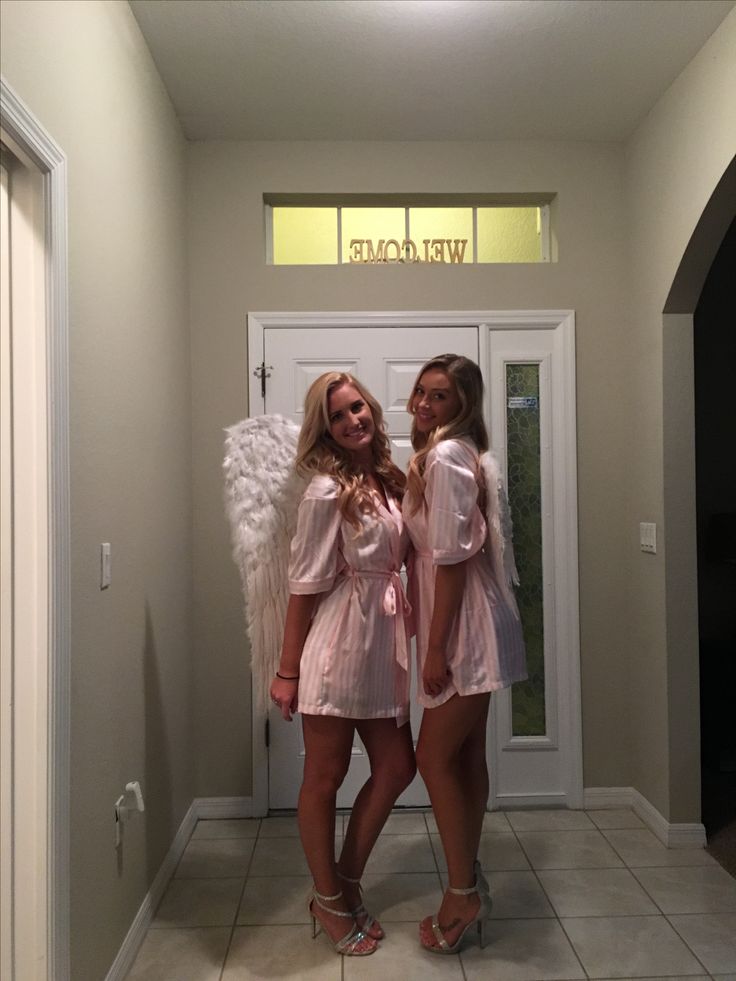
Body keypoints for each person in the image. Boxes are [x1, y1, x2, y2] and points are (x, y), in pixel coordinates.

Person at [270, 371, 415, 957]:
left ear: (371, 407)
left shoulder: (386, 479)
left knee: (398, 767)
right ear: (324, 430)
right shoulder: (326, 490)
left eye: (357, 407)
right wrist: (286, 671)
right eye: (338, 416)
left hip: (383, 646)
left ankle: (345, 880)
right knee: (324, 778)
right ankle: (329, 898)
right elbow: (303, 584)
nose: (353, 419)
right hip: (336, 644)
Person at [404, 353, 527, 954]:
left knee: (433, 756)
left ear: (463, 405)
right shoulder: (448, 454)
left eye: (441, 397)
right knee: (463, 755)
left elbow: (449, 561)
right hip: (466, 616)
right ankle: (467, 873)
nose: (425, 405)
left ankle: (461, 894)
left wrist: (435, 647)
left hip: (464, 624)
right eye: (422, 392)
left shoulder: (449, 457)